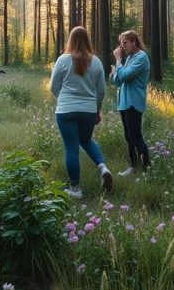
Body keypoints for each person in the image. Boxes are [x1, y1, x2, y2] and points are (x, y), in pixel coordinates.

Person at [50, 27, 113, 199]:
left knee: (71, 148)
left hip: (66, 110)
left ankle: (75, 189)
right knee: (86, 140)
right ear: (87, 40)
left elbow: (53, 86)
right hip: (88, 110)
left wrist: (62, 99)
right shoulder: (97, 62)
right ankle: (103, 168)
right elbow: (101, 91)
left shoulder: (63, 60)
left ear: (70, 40)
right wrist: (97, 109)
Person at [111, 30, 151, 175]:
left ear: (134, 42)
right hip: (124, 102)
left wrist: (117, 62)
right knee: (129, 137)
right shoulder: (130, 58)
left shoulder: (141, 57)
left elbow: (124, 76)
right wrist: (117, 71)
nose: (122, 47)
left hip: (133, 102)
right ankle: (134, 166)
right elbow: (116, 80)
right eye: (121, 44)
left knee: (136, 136)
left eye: (125, 43)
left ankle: (146, 168)